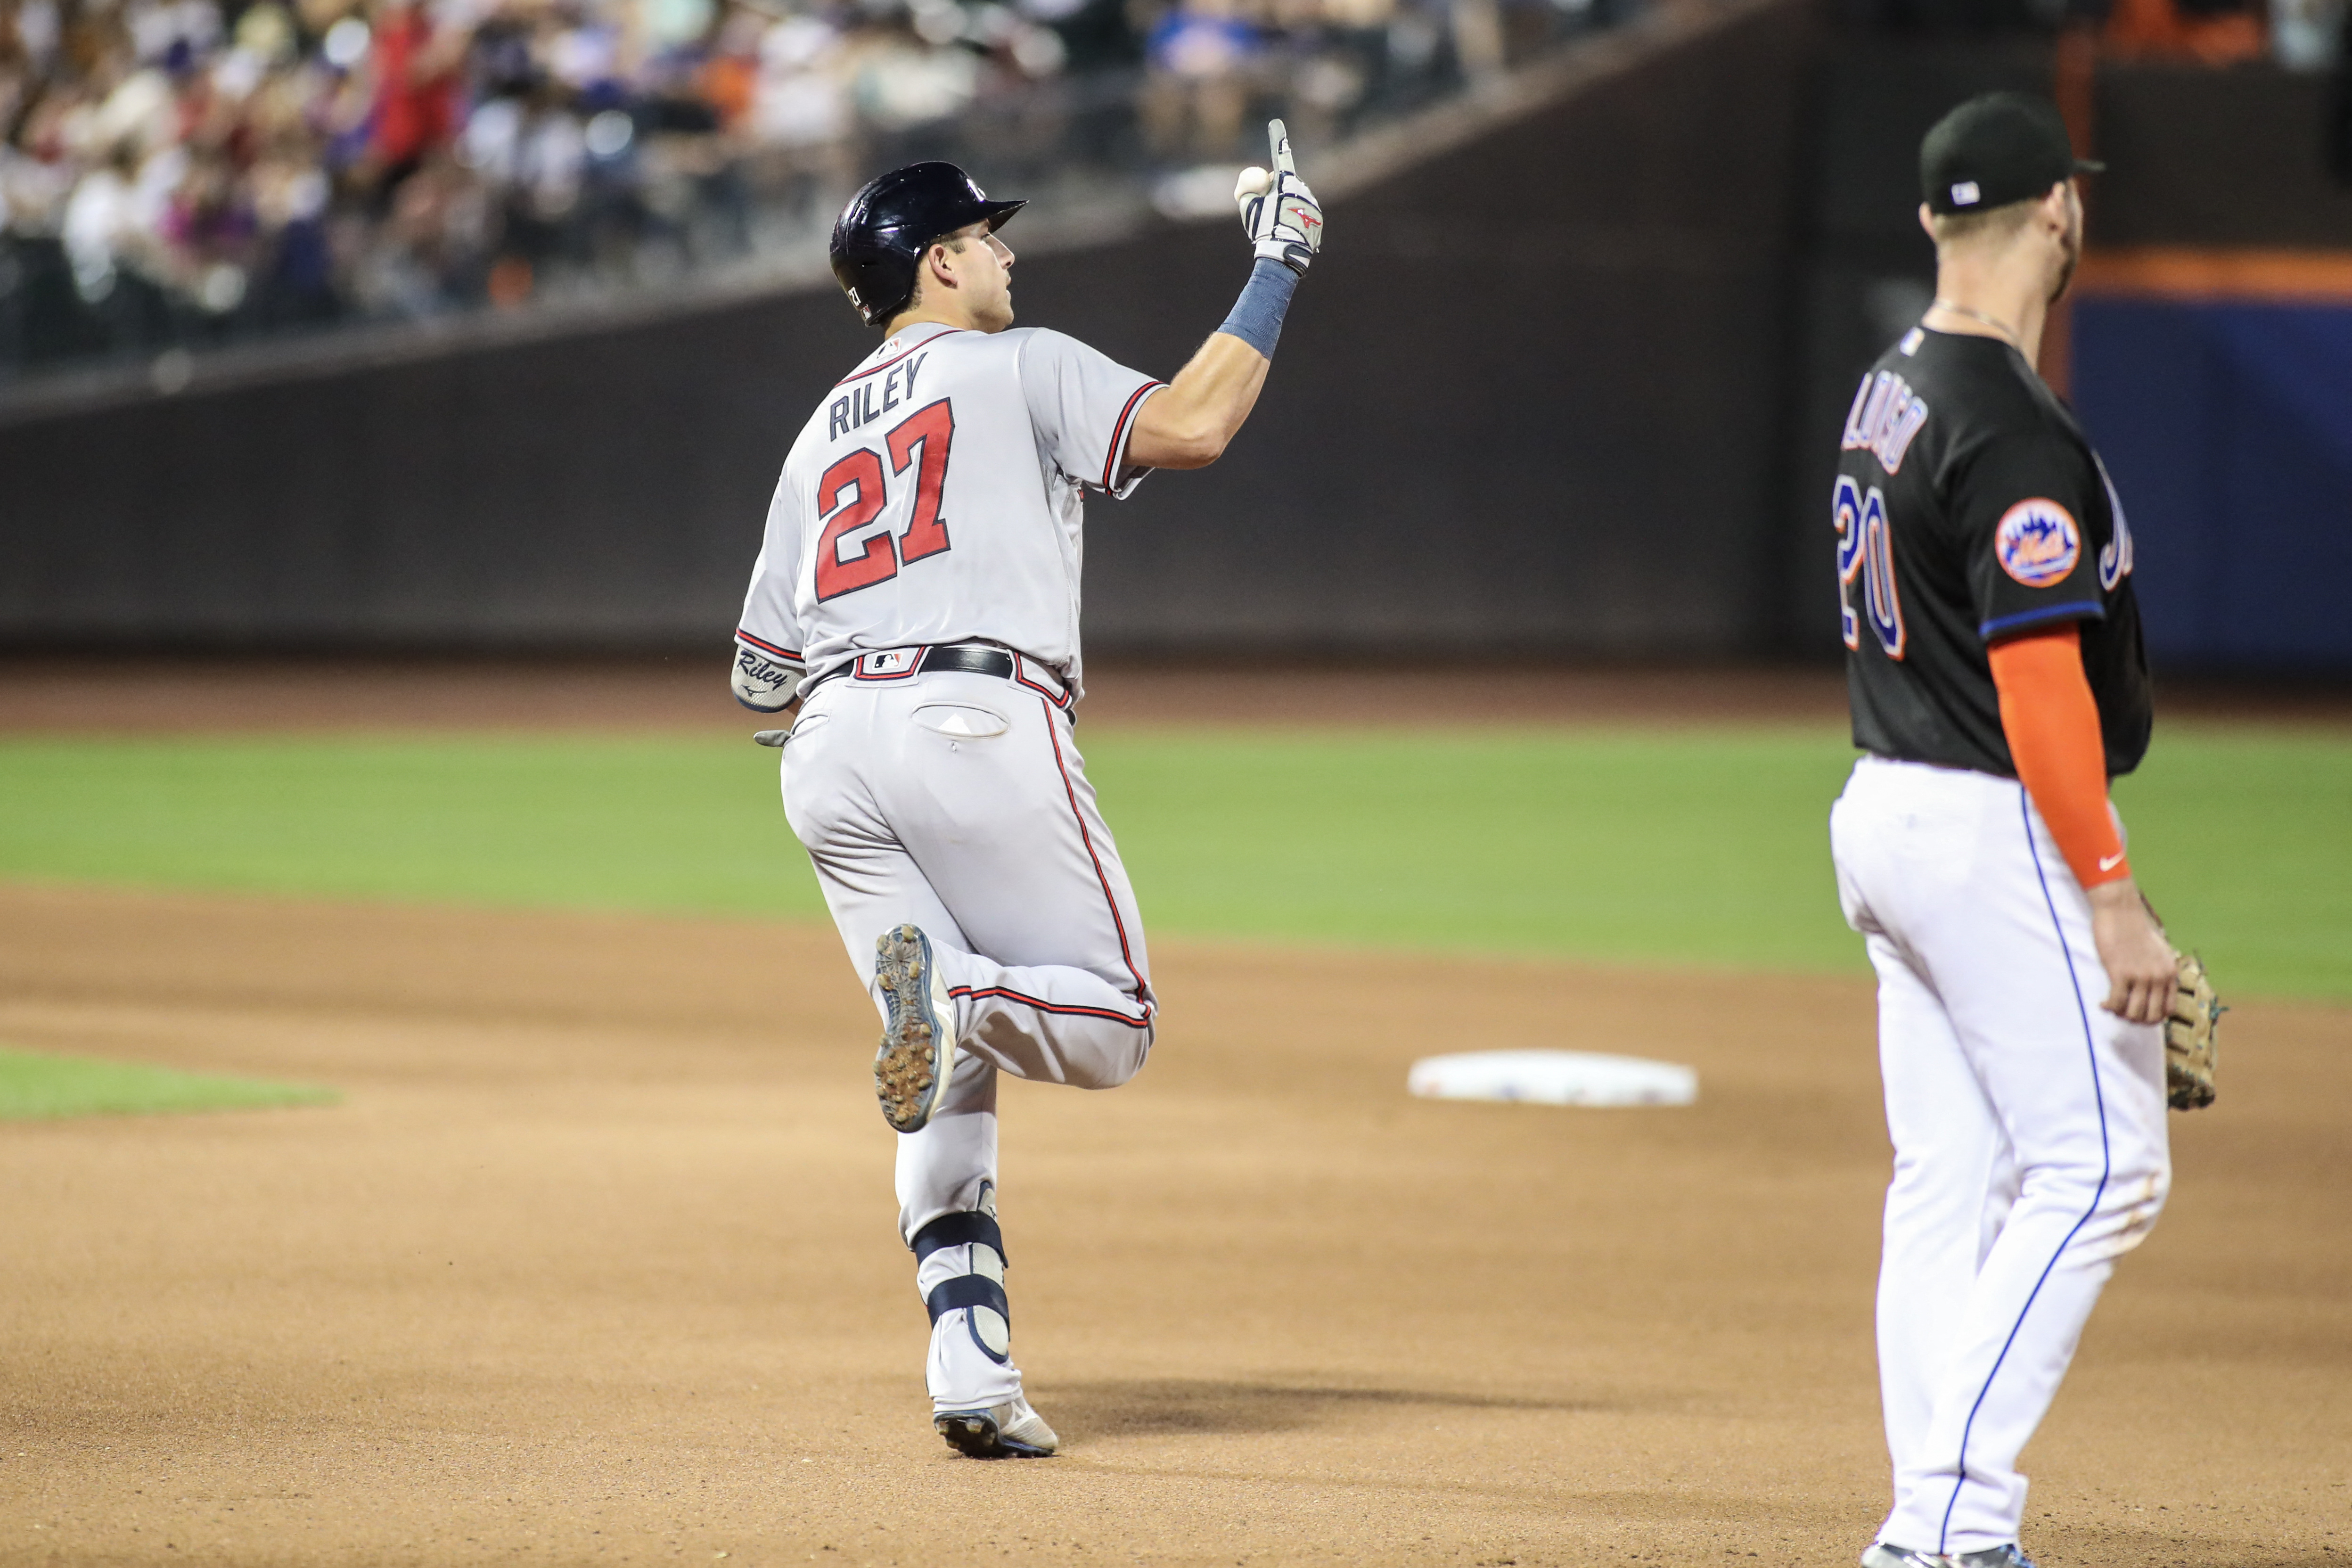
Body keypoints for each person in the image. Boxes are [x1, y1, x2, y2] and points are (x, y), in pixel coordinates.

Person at [728, 126, 1322, 1459]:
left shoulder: (815, 434)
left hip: (829, 753)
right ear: (939, 263)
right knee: (1106, 1024)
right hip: (974, 718)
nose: (1008, 252)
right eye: (987, 236)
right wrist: (1279, 262)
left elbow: (758, 678)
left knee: (949, 1079)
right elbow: (1194, 424)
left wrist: (844, 692)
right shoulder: (1019, 362)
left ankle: (972, 1369)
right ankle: (949, 993)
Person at [1826, 92, 2176, 1568]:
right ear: (2060, 212)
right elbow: (2041, 690)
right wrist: (2113, 896)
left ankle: (1947, 1526)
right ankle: (1944, 1522)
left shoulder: (1892, 383)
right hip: (1983, 823)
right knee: (2106, 1171)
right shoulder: (2013, 427)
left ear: (1928, 223)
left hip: (1883, 809)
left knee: (1951, 1182)